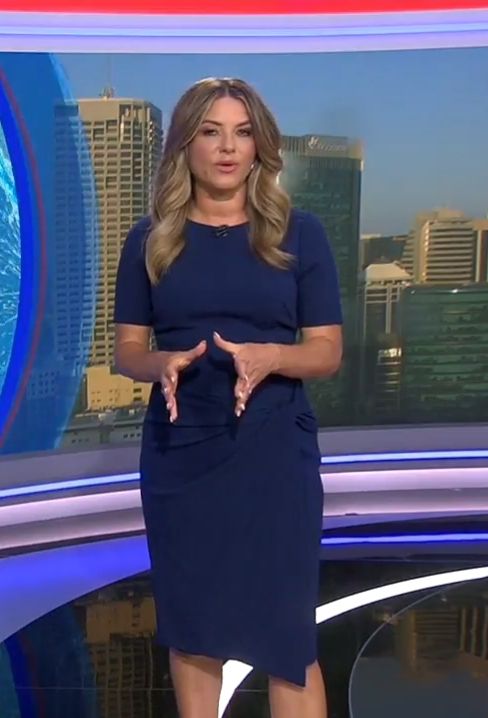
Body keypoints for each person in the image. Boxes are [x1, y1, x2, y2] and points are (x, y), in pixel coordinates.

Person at [113, 76, 343, 718]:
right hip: (181, 451)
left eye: (242, 133)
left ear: (260, 146)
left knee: (286, 634)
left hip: (274, 452)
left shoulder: (300, 234)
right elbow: (127, 350)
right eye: (211, 132)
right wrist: (161, 363)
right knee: (193, 628)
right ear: (184, 145)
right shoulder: (150, 239)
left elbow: (326, 351)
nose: (227, 148)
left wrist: (272, 357)